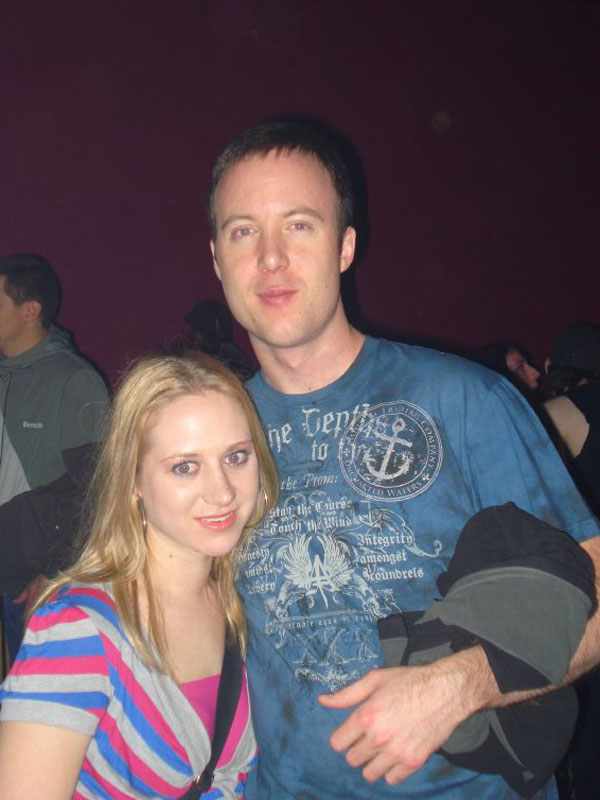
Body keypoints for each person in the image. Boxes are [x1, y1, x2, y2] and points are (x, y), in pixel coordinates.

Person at [206, 118, 600, 799]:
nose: (270, 258)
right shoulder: (215, 434)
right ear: (216, 259)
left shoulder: (464, 400)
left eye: (299, 225)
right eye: (244, 231)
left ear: (345, 246)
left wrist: (461, 684)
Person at [0, 353, 278, 799]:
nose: (223, 491)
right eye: (185, 466)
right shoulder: (79, 629)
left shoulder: (245, 601)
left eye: (236, 456)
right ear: (133, 479)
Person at [0, 253, 109, 665]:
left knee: (31, 696)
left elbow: (95, 489)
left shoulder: (74, 380)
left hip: (34, 585)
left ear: (30, 310)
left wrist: (56, 571)